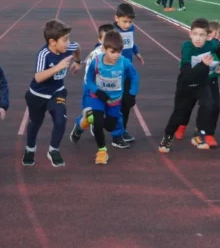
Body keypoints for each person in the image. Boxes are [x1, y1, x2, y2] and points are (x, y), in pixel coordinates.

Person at [159, 18, 220, 153]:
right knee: (179, 114)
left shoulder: (211, 44)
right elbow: (186, 73)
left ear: (208, 36)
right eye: (195, 34)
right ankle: (167, 137)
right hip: (186, 84)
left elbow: (219, 46)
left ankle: (198, 134)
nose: (198, 38)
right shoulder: (187, 47)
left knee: (209, 105)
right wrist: (203, 65)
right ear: (190, 34)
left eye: (202, 35)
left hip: (202, 83)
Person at [23, 19, 81, 167]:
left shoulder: (68, 47)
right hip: (37, 95)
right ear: (52, 41)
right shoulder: (44, 54)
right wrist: (58, 67)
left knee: (61, 120)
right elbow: (38, 77)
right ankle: (30, 149)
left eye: (68, 38)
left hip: (57, 92)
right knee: (35, 122)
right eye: (65, 40)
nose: (68, 43)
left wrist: (78, 62)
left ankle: (53, 150)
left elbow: (77, 47)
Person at [82, 31, 139, 164]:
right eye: (112, 52)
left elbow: (135, 77)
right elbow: (89, 80)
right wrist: (97, 91)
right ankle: (102, 151)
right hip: (98, 98)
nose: (116, 55)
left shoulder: (125, 63)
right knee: (98, 124)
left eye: (119, 52)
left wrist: (132, 93)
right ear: (104, 49)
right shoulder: (96, 62)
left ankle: (89, 118)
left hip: (115, 100)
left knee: (109, 126)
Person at [186, 20, 220, 147]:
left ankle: (208, 134)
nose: (217, 40)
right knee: (186, 106)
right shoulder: (198, 48)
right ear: (207, 37)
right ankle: (181, 125)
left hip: (211, 81)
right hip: (195, 81)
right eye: (213, 37)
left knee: (214, 107)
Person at [69, 23, 114, 143]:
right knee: (90, 115)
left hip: (107, 88)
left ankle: (96, 123)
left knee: (105, 113)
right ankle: (79, 127)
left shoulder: (116, 53)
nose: (108, 43)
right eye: (105, 40)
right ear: (99, 40)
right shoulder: (96, 55)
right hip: (91, 89)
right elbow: (89, 78)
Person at [110, 3, 144, 146]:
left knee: (128, 102)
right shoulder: (112, 33)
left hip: (128, 71)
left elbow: (132, 43)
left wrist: (137, 53)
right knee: (115, 104)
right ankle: (115, 135)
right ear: (116, 18)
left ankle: (122, 130)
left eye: (130, 22)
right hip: (115, 74)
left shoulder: (131, 29)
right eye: (125, 21)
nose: (128, 24)